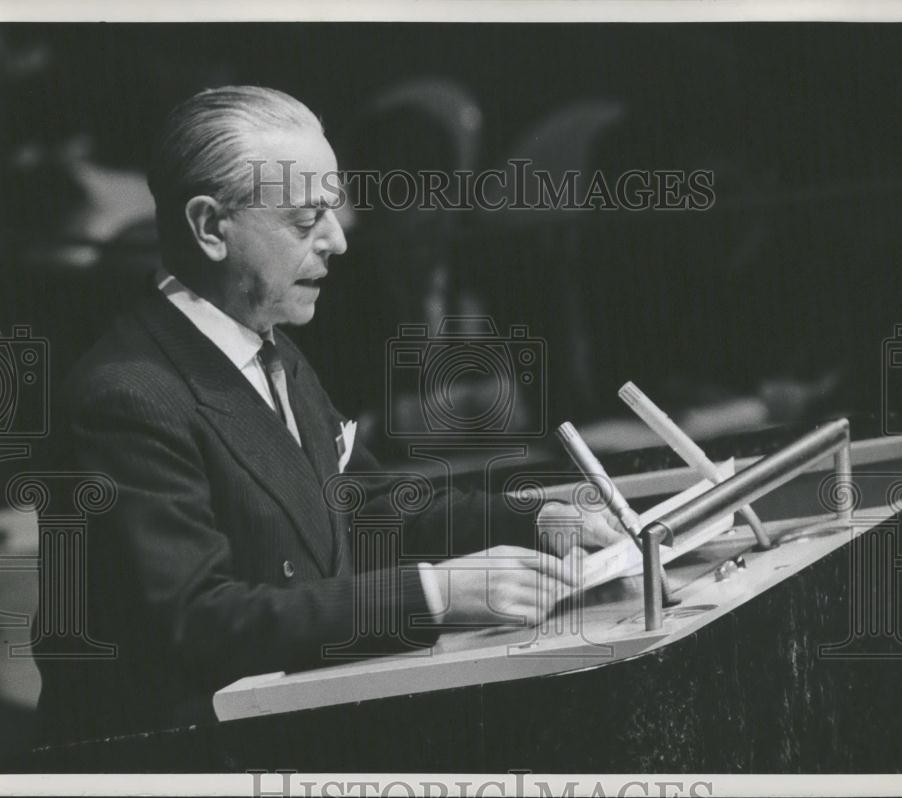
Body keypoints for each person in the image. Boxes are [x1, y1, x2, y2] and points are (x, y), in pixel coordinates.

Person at [34, 86, 623, 743]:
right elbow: (199, 621)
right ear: (208, 227)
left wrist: (539, 517)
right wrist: (431, 596)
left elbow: (367, 506)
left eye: (334, 212)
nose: (339, 241)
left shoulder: (272, 348)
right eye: (304, 220)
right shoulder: (126, 395)